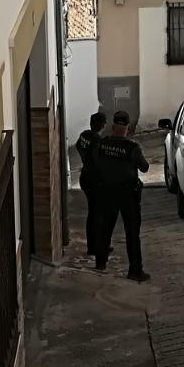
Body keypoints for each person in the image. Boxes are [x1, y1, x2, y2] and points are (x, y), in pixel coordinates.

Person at [94, 110, 150, 282]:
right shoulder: (132, 147)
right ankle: (135, 270)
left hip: (107, 192)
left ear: (113, 126)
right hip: (128, 195)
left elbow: (96, 164)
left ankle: (101, 262)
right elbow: (145, 167)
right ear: (126, 128)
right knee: (132, 233)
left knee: (105, 228)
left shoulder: (102, 144)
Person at [75, 111, 108, 260]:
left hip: (85, 177)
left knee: (93, 212)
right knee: (97, 214)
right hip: (94, 180)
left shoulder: (84, 135)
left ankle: (95, 245)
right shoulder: (97, 141)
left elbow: (78, 146)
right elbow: (97, 161)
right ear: (103, 125)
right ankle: (95, 246)